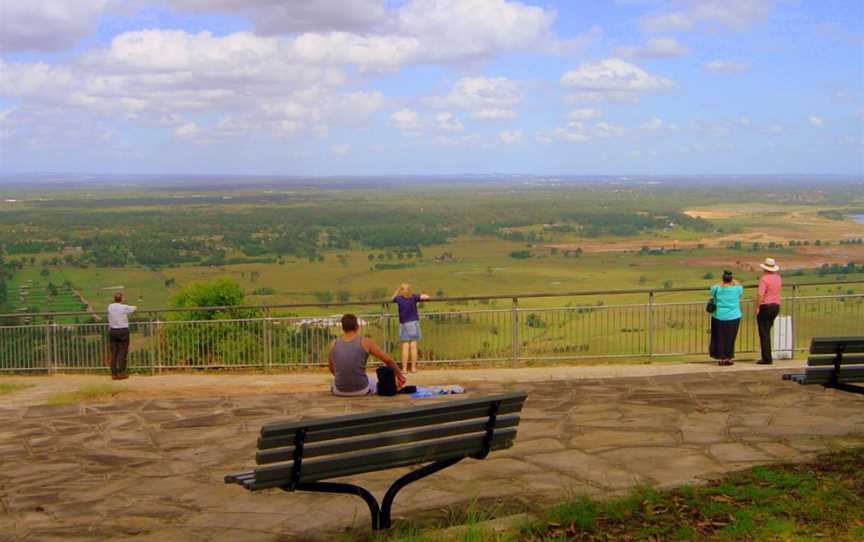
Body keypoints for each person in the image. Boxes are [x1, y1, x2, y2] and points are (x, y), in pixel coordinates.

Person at [328, 313, 405, 396]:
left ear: (343, 328)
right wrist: (400, 375)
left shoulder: (333, 343)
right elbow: (388, 361)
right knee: (372, 380)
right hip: (361, 390)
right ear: (357, 326)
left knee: (332, 383)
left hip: (339, 391)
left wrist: (344, 379)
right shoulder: (365, 342)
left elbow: (332, 368)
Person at [392, 283, 430, 373]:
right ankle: (413, 368)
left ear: (401, 291)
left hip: (403, 324)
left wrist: (397, 290)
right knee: (413, 346)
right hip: (413, 323)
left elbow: (393, 297)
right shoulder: (413, 297)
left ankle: (404, 369)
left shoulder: (398, 299)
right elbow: (427, 297)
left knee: (405, 346)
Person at [708, 270, 744, 366]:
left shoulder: (717, 288)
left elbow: (712, 289)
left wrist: (722, 282)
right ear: (731, 279)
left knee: (719, 337)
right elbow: (740, 286)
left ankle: (721, 358)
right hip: (734, 316)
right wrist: (733, 280)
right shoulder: (736, 289)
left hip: (719, 316)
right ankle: (729, 358)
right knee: (730, 338)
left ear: (723, 278)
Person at [756, 257, 782, 364]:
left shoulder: (764, 279)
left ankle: (766, 358)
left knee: (764, 333)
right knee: (767, 330)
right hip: (775, 306)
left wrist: (757, 307)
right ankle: (767, 356)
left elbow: (760, 294)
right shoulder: (778, 278)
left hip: (765, 306)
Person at [107, 292, 137, 380]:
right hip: (123, 331)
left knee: (114, 353)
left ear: (114, 299)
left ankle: (114, 373)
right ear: (122, 299)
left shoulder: (110, 306)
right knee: (123, 352)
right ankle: (121, 372)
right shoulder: (124, 307)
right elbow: (135, 308)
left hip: (113, 331)